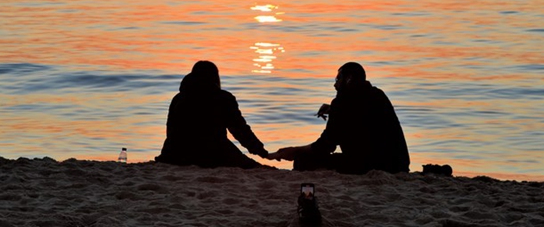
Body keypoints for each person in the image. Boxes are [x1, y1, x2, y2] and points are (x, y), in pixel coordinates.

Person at [268, 62, 410, 174]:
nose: (335, 84)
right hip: (398, 164)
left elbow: (325, 145)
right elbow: (360, 113)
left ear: (348, 79)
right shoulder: (378, 95)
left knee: (303, 160)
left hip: (369, 165)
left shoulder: (342, 104)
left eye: (337, 79)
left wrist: (292, 151)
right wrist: (332, 110)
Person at [156, 60, 269, 168]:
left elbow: (170, 129)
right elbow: (239, 129)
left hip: (175, 153)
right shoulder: (223, 98)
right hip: (212, 151)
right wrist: (260, 151)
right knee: (255, 168)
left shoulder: (178, 98)